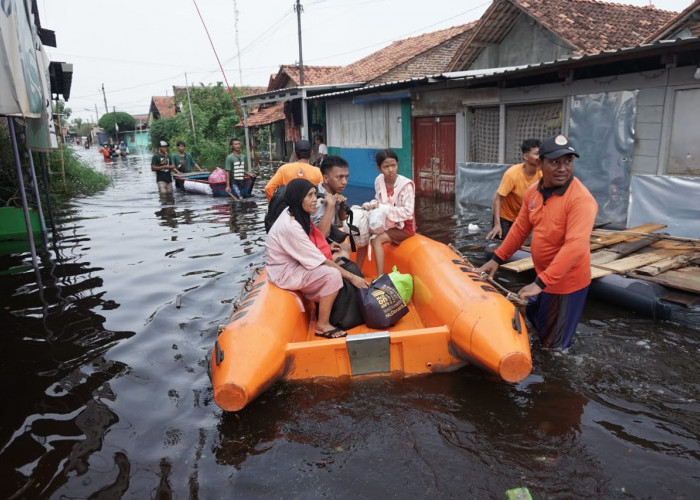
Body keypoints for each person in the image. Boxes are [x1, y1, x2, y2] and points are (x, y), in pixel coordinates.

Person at [476, 134, 598, 350]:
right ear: (540, 163)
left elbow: (575, 247)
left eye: (568, 161)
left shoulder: (581, 200)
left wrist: (540, 283)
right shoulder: (533, 192)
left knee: (553, 348)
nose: (562, 168)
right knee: (534, 321)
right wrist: (497, 258)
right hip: (545, 277)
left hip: (565, 285)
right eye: (555, 162)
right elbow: (520, 229)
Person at [265, 178, 368, 338]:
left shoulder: (294, 212)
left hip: (293, 263)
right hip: (285, 273)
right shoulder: (291, 226)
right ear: (298, 198)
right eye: (310, 196)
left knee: (337, 262)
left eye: (315, 194)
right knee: (332, 275)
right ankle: (322, 324)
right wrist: (353, 278)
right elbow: (321, 261)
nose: (315, 200)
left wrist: (327, 247)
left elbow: (312, 242)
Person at [359, 149, 415, 275]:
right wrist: (371, 205)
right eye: (386, 167)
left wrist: (383, 209)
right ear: (379, 168)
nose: (390, 170)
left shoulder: (406, 185)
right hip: (386, 222)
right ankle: (357, 271)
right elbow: (379, 200)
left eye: (393, 165)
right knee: (362, 232)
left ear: (397, 164)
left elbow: (408, 212)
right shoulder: (379, 181)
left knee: (376, 240)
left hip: (404, 226)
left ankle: (380, 277)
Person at [486, 139, 542, 240]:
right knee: (501, 245)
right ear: (526, 156)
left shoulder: (542, 175)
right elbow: (498, 198)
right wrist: (497, 224)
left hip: (522, 217)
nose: (541, 157)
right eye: (537, 154)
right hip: (506, 217)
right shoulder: (512, 174)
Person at [312, 155, 352, 259]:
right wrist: (331, 205)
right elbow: (321, 235)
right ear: (325, 178)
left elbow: (341, 219)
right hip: (310, 247)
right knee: (342, 256)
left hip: (321, 242)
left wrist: (342, 205)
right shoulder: (318, 200)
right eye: (339, 177)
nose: (344, 182)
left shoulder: (333, 192)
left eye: (346, 177)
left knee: (346, 247)